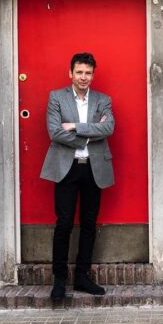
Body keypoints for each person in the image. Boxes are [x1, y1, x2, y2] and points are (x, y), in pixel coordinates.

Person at [40, 52, 115, 300]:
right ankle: (60, 280)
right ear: (70, 73)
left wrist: (74, 126)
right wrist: (90, 134)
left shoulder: (103, 100)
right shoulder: (57, 98)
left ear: (93, 75)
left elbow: (108, 127)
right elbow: (54, 132)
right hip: (67, 167)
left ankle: (82, 277)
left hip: (93, 168)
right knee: (63, 223)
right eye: (79, 72)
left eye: (88, 73)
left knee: (89, 223)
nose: (84, 77)